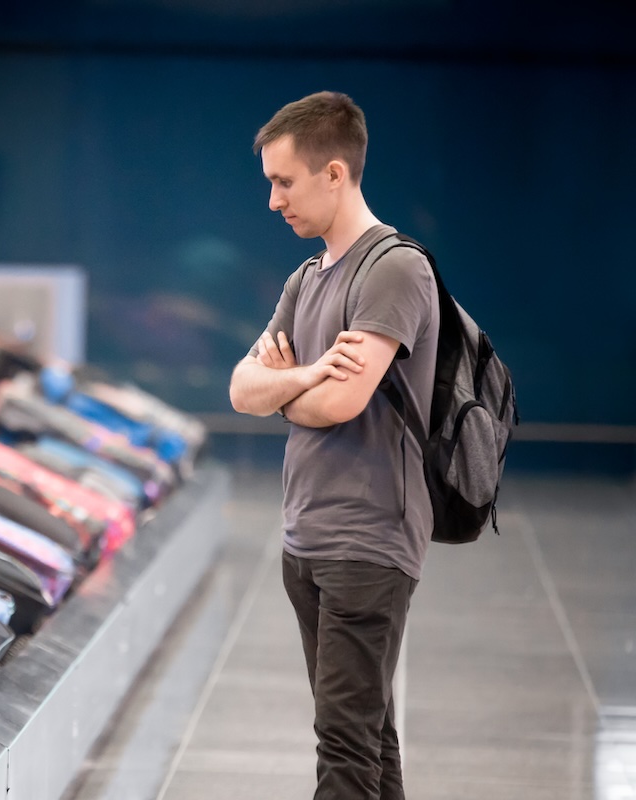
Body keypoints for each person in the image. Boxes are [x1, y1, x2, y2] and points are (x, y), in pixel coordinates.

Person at [229, 91, 440, 800]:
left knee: (344, 746)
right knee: (367, 734)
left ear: (335, 175)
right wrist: (306, 378)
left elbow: (344, 401)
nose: (273, 201)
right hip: (309, 536)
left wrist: (291, 382)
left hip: (367, 539)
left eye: (283, 182)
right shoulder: (306, 277)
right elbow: (239, 389)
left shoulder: (393, 269)